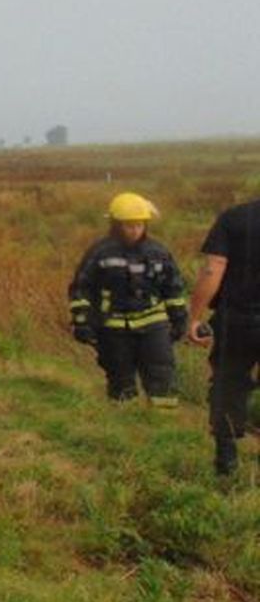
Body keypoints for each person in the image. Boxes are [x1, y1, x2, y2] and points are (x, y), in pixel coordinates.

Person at [68, 193, 187, 406]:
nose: (134, 230)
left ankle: (165, 430)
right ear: (116, 225)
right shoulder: (100, 253)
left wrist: (179, 320)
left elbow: (173, 289)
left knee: (163, 380)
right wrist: (81, 322)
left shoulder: (158, 252)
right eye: (129, 225)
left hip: (154, 327)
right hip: (113, 329)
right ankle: (127, 431)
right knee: (121, 385)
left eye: (139, 225)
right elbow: (81, 288)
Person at [183, 196, 260, 475]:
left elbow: (213, 269)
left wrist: (194, 318)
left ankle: (226, 461)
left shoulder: (234, 217)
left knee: (227, 385)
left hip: (236, 321)